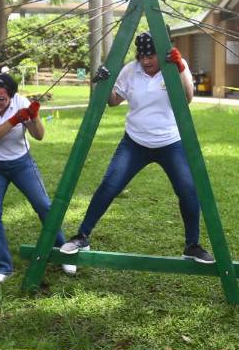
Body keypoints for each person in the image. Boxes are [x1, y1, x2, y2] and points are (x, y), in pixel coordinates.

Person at [60, 32, 214, 264]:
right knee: (109, 185)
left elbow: (187, 98)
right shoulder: (130, 71)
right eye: (141, 55)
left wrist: (180, 66)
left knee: (188, 190)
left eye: (150, 55)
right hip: (135, 142)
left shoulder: (175, 66)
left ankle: (192, 245)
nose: (146, 61)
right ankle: (82, 235)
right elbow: (112, 101)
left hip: (170, 142)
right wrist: (103, 82)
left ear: (161, 53)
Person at [0, 70, 68, 287]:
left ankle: (63, 252)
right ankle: (2, 267)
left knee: (44, 205)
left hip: (21, 164)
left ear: (12, 97)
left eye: (1, 99)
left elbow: (39, 135)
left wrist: (33, 117)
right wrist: (15, 120)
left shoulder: (20, 101)